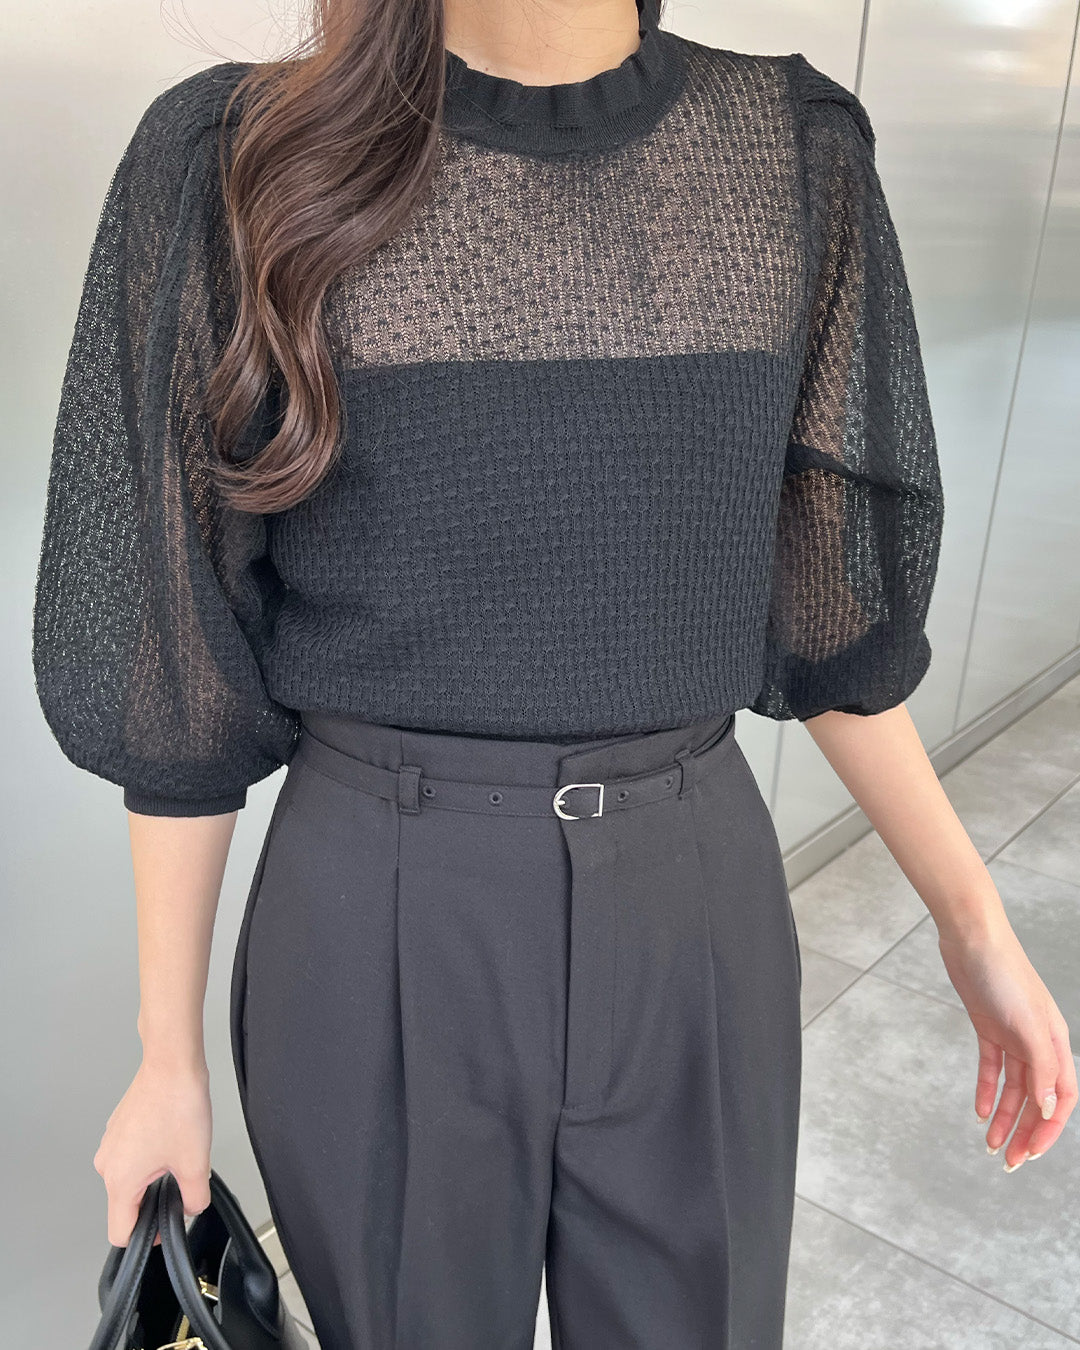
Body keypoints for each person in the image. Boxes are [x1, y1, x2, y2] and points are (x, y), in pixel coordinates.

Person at [31, 0, 1076, 1346]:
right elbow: (178, 675)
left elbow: (828, 630)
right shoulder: (236, 157)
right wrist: (164, 1057)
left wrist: (975, 924)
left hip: (694, 903)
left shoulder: (789, 151)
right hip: (376, 912)